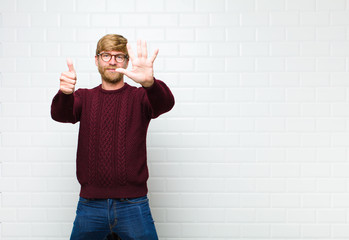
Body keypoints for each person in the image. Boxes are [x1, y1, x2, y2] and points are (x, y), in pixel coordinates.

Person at [51, 34, 175, 240]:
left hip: (133, 204)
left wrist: (150, 83)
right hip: (90, 204)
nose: (112, 61)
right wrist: (65, 94)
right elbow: (60, 115)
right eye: (106, 55)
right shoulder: (84, 96)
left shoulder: (140, 96)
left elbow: (165, 104)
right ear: (97, 60)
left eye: (119, 56)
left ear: (126, 61)